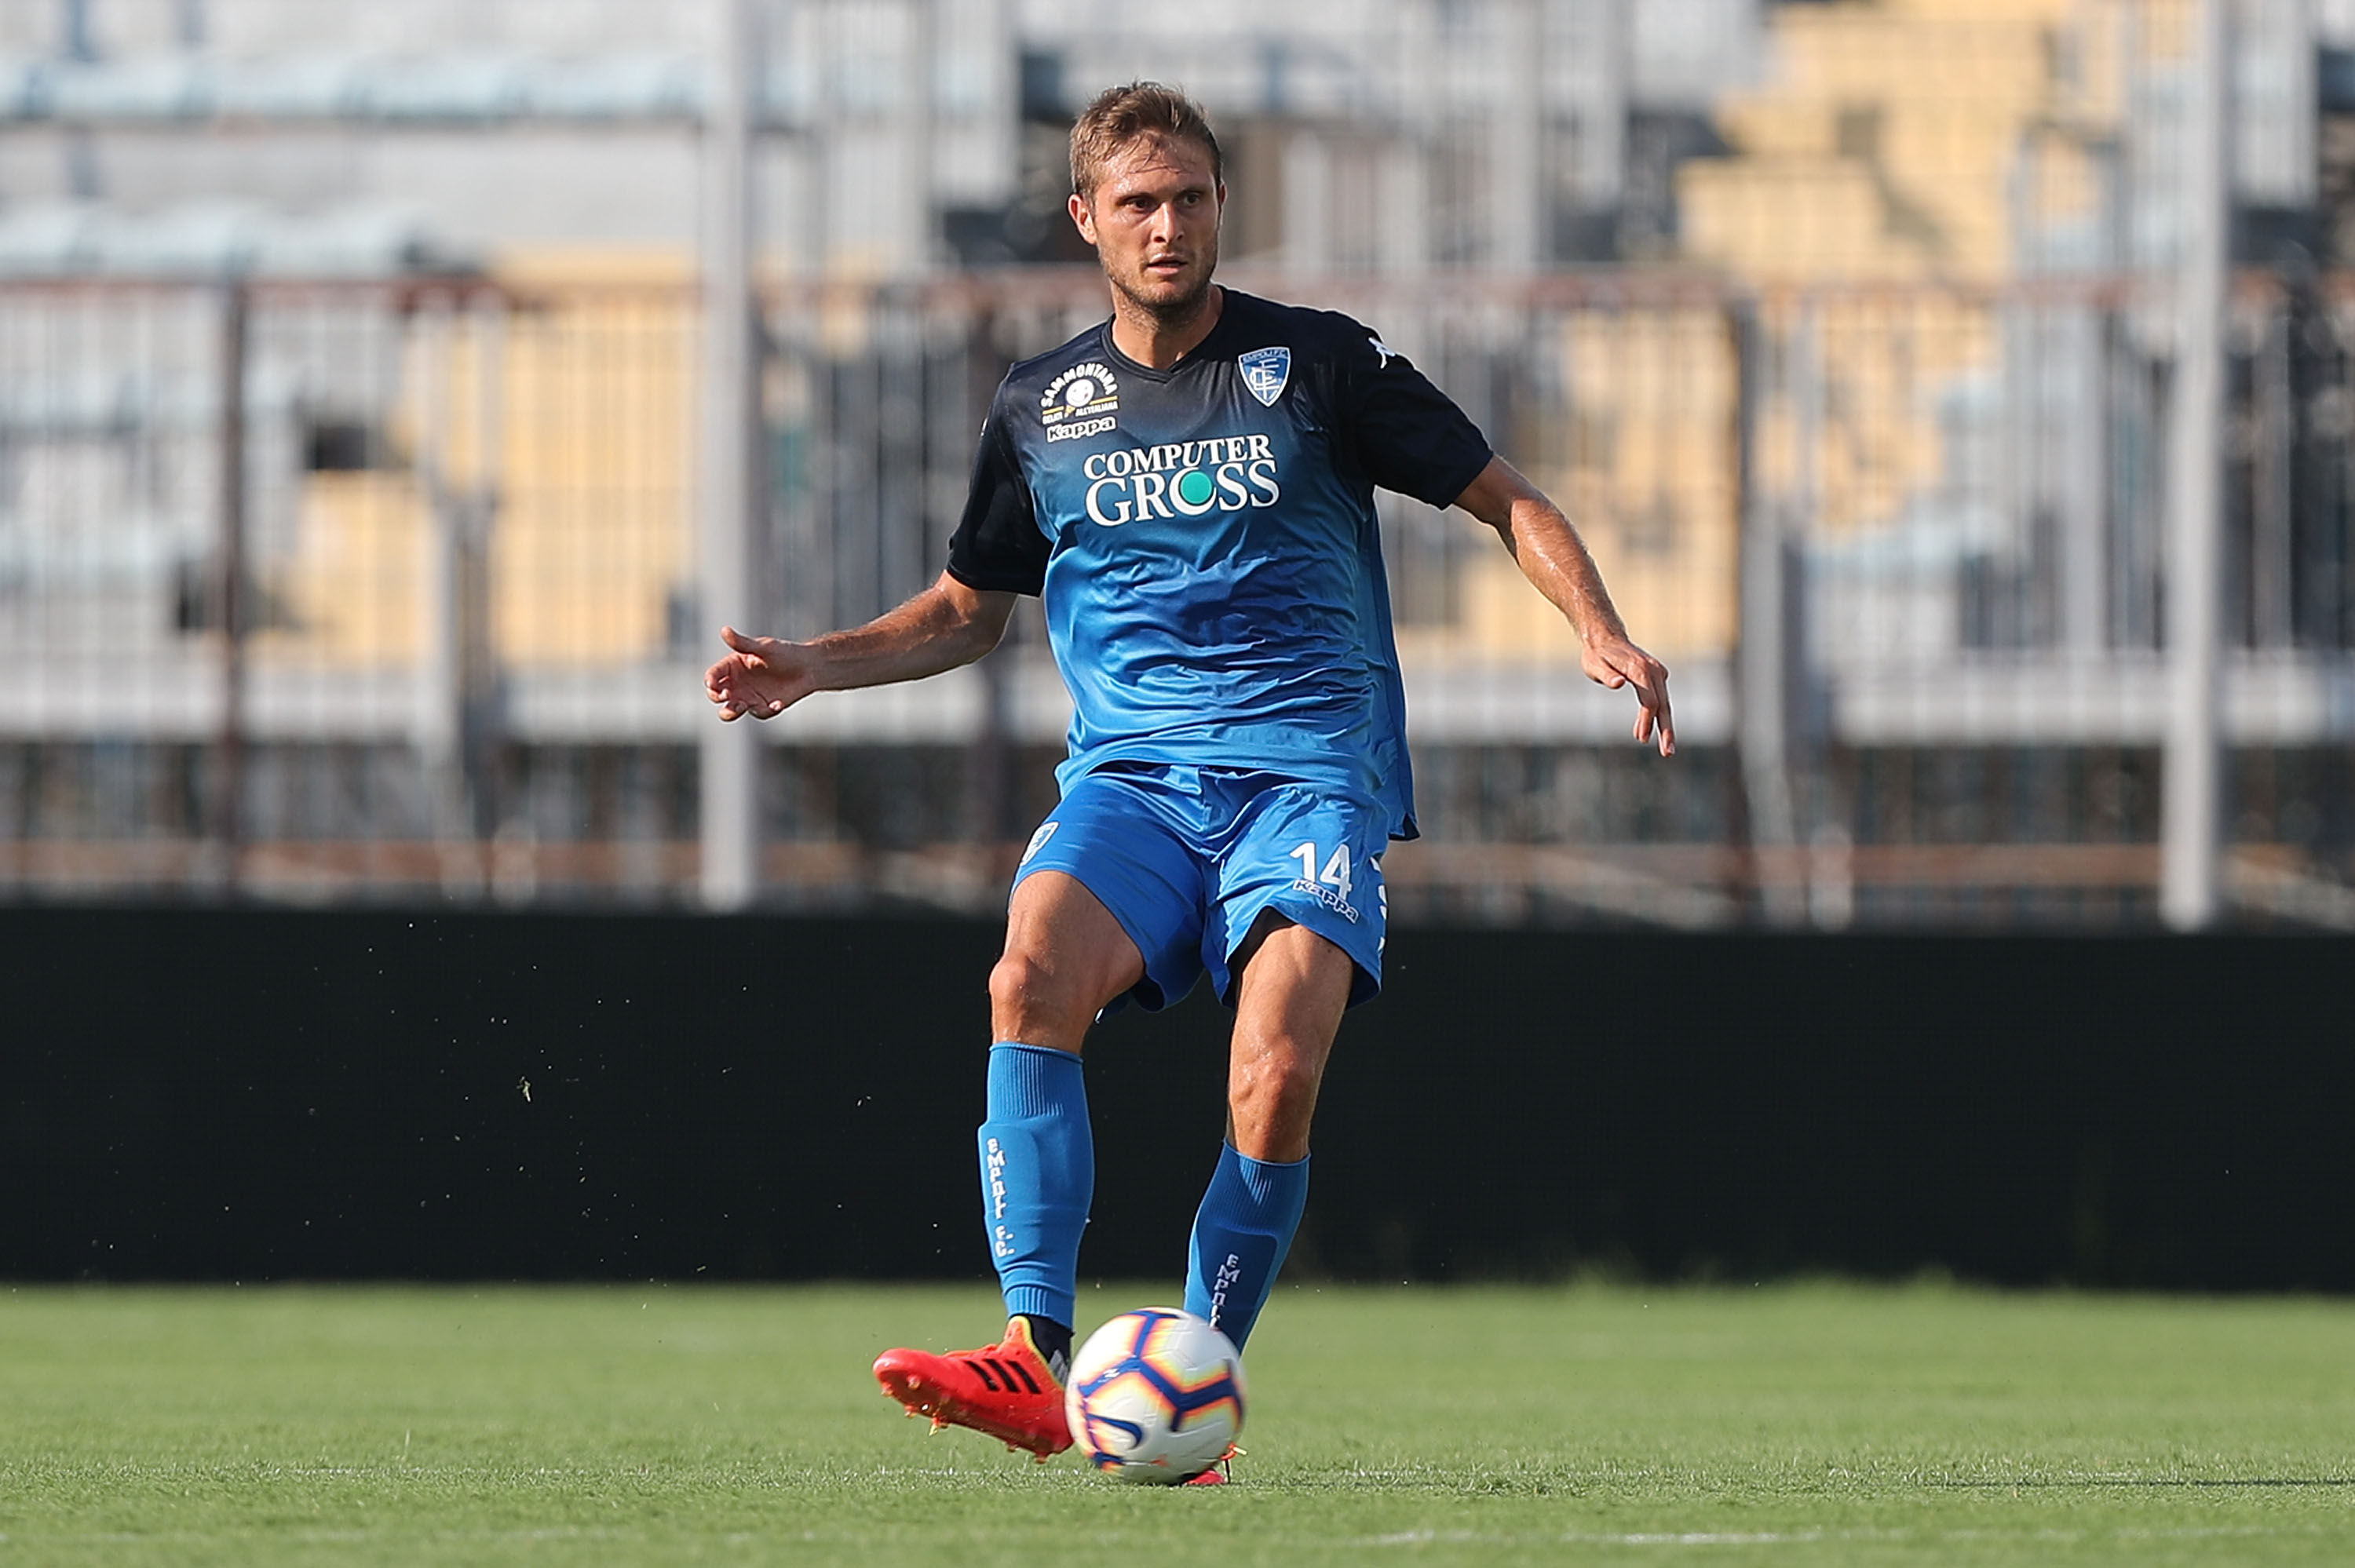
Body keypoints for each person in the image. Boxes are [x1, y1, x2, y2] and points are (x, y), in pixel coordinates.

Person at [703, 82, 1674, 1480]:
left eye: (1194, 199)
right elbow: (970, 608)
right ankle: (1036, 1363)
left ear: (1224, 208)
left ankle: (1194, 1378)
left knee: (1274, 1071)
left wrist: (1601, 625)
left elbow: (1507, 496)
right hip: (1137, 784)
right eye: (1141, 203)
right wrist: (814, 660)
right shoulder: (1044, 406)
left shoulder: (1323, 366)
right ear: (1086, 219)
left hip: (1306, 783)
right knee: (1026, 976)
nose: (1169, 226)